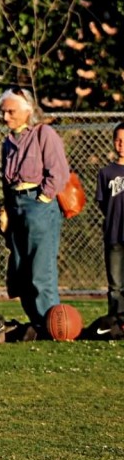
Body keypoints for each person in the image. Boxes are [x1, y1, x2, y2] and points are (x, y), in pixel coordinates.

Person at [0, 87, 69, 327]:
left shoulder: (44, 133)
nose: (5, 117)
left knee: (41, 269)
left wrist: (43, 199)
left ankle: (53, 323)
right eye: (3, 112)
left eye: (11, 111)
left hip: (38, 204)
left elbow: (58, 172)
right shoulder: (8, 142)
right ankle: (36, 322)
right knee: (22, 269)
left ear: (27, 110)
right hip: (16, 205)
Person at [96, 122, 124, 318]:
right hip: (114, 234)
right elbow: (103, 203)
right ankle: (116, 321)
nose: (121, 144)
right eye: (117, 140)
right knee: (115, 284)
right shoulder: (106, 173)